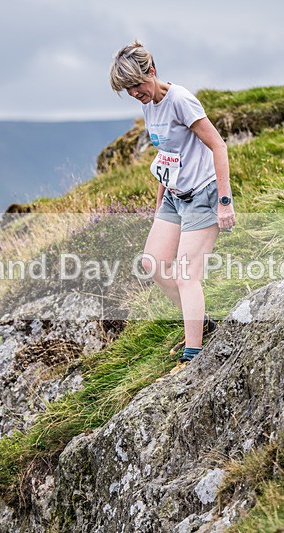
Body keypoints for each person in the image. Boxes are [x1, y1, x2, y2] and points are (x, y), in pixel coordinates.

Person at [109, 40, 236, 363]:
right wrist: (159, 206)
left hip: (203, 195)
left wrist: (224, 202)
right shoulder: (148, 104)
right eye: (128, 90)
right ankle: (200, 324)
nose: (135, 93)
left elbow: (218, 147)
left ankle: (193, 355)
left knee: (185, 275)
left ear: (151, 72)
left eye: (137, 85)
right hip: (173, 196)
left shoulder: (181, 100)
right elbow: (167, 155)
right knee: (152, 263)